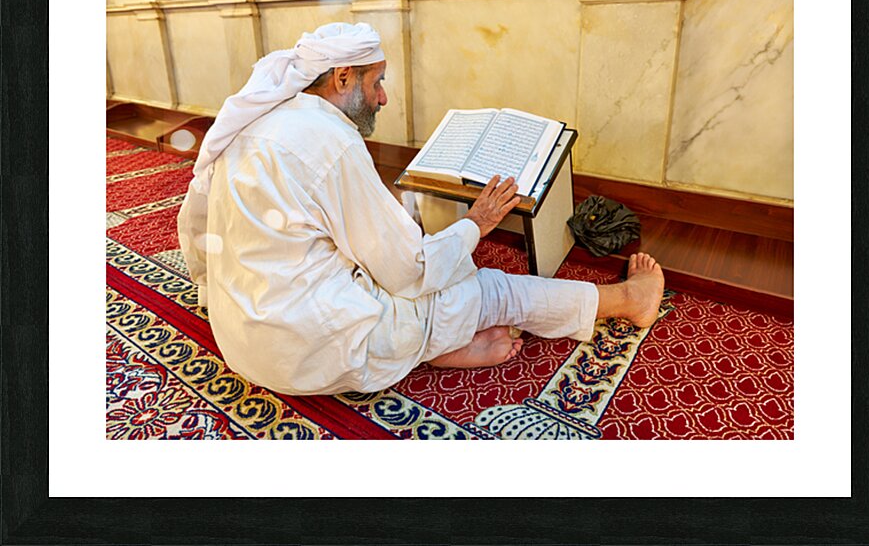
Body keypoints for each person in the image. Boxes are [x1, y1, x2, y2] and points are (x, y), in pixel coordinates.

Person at [177, 22, 664, 396]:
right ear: (343, 77)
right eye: (377, 82)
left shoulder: (258, 119)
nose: (383, 97)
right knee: (482, 286)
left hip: (242, 336)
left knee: (421, 256)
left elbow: (194, 226)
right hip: (310, 352)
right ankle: (627, 301)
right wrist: (476, 224)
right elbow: (409, 272)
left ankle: (438, 345)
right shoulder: (331, 140)